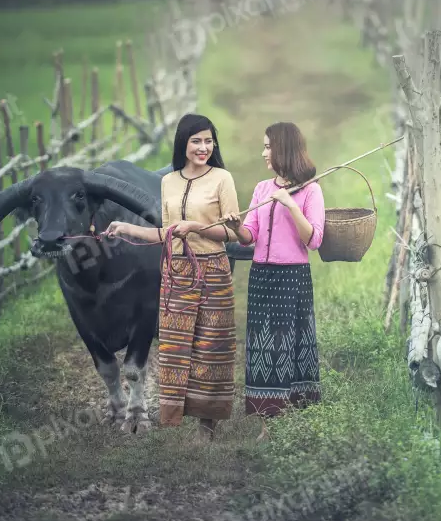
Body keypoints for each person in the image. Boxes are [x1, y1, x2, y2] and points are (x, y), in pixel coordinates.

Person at [107, 113, 240, 443]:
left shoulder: (222, 179)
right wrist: (126, 228)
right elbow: (165, 233)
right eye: (197, 141)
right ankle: (177, 415)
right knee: (176, 348)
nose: (204, 147)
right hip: (177, 272)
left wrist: (196, 227)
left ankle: (207, 428)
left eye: (209, 141)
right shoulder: (169, 182)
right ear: (183, 143)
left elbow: (233, 234)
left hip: (212, 270)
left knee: (210, 347)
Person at [223, 121, 325, 438]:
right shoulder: (262, 189)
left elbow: (314, 240)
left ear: (284, 148)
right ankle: (269, 421)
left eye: (268, 146)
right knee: (263, 346)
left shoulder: (311, 189)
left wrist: (291, 205)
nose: (264, 152)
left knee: (288, 345)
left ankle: (295, 416)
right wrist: (236, 226)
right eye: (264, 146)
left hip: (291, 277)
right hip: (262, 277)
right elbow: (249, 236)